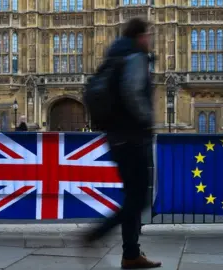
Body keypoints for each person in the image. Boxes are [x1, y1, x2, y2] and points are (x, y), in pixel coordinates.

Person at [83, 17, 161, 269]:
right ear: (140, 36)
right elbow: (132, 93)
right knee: (138, 199)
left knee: (133, 196)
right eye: (148, 34)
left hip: (117, 136)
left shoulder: (114, 55)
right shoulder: (135, 56)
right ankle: (97, 234)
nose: (150, 39)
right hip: (132, 135)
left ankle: (131, 254)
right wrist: (146, 120)